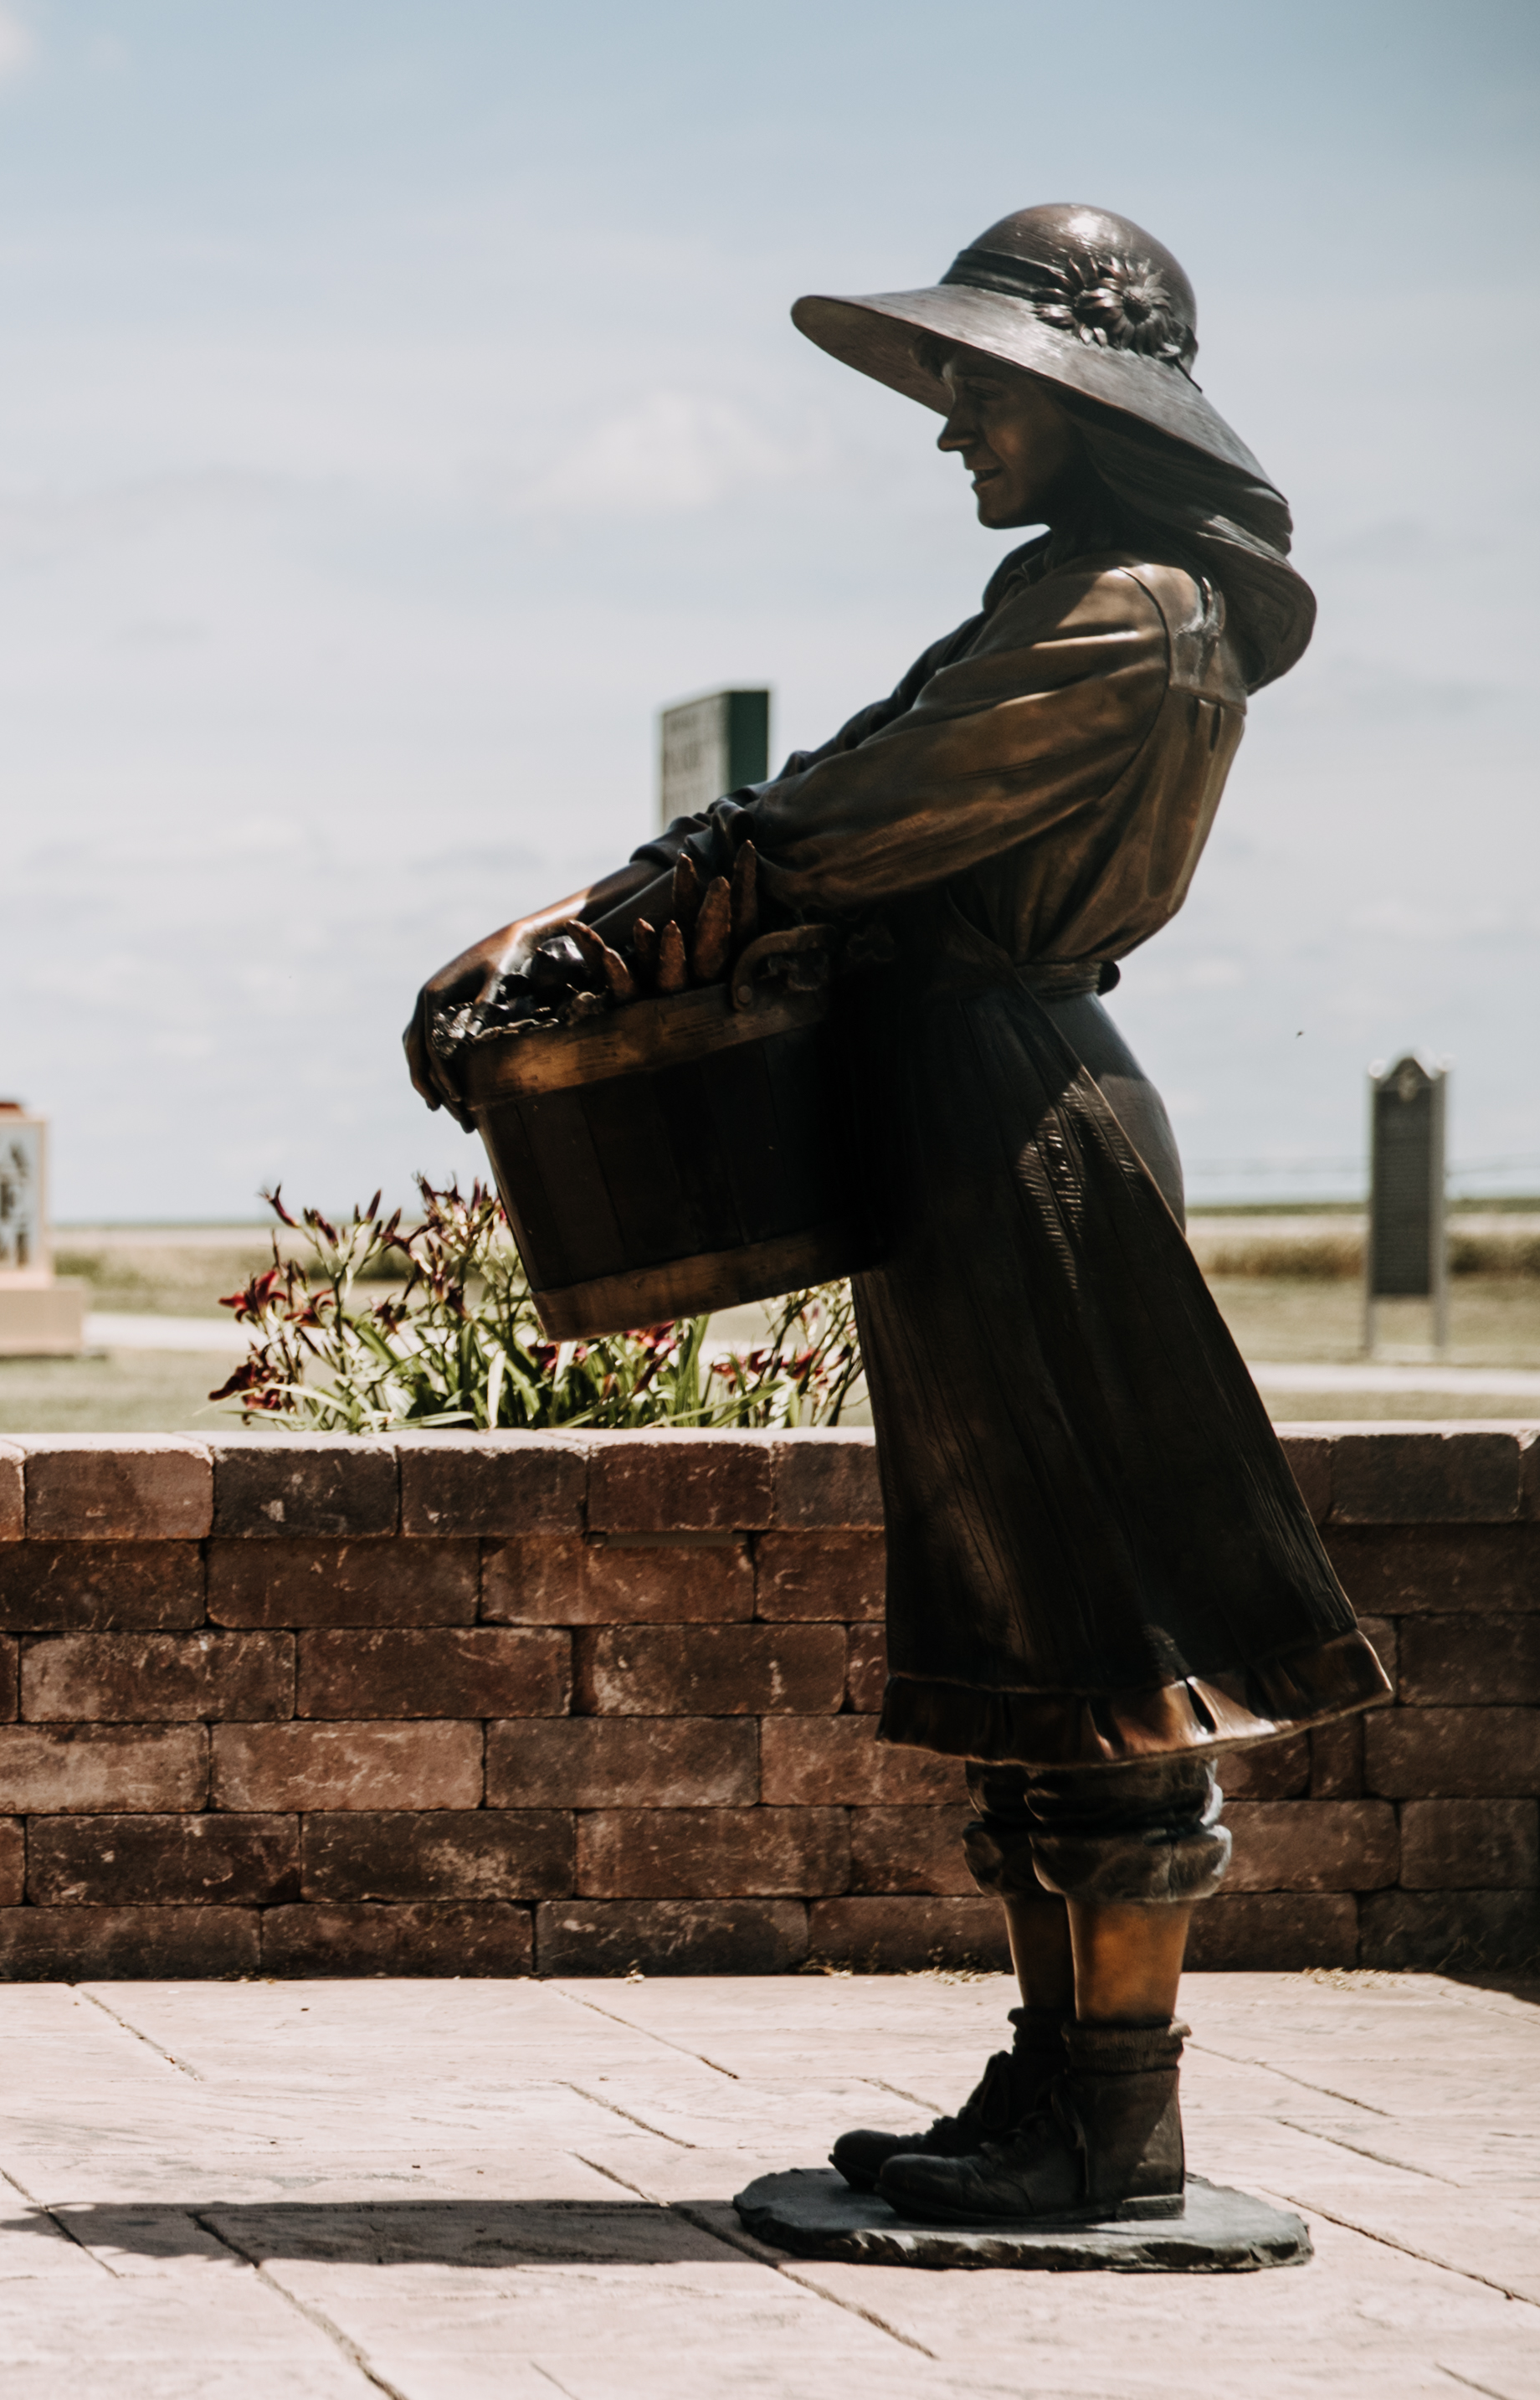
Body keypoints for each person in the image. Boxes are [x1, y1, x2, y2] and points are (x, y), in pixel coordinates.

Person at [399, 207, 1387, 2228]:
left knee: (1101, 1636)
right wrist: (625, 915)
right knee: (1020, 1634)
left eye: (982, 389)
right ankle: (1055, 2094)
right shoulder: (1064, 591)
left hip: (1023, 1126)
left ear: (1086, 399)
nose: (950, 428)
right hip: (957, 1112)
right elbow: (830, 804)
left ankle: (1114, 2120)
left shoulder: (1128, 611)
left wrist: (597, 929)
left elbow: (847, 819)